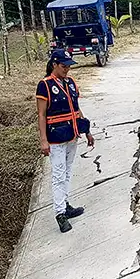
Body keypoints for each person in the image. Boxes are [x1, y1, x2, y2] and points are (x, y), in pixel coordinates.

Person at [37, 49, 95, 233]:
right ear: (54, 64)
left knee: (67, 171)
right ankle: (60, 213)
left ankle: (65, 203)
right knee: (58, 174)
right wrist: (43, 140)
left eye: (69, 66)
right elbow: (41, 114)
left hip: (72, 133)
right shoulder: (45, 85)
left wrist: (87, 131)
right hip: (55, 137)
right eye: (63, 66)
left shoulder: (70, 83)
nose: (67, 70)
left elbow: (77, 109)